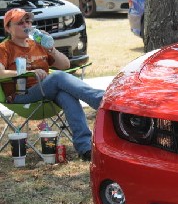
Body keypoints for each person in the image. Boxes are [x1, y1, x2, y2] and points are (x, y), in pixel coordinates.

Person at [0, 8, 104, 160]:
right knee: (58, 78)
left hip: (45, 90)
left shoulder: (38, 43)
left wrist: (52, 49)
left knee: (66, 95)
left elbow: (65, 65)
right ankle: (102, 100)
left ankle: (85, 149)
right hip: (21, 94)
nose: (26, 25)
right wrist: (24, 73)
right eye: (20, 23)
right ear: (8, 28)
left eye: (28, 21)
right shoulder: (4, 48)